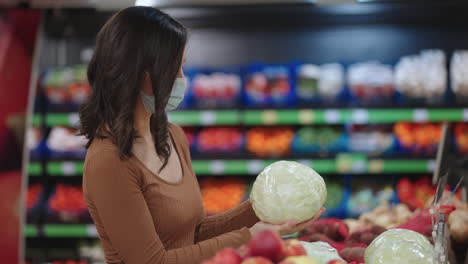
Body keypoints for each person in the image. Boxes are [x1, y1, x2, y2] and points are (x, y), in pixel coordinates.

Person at [79, 6, 325, 264]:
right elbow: (151, 261)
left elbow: (194, 234)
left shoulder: (171, 137)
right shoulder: (109, 161)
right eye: (176, 67)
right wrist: (248, 238)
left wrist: (266, 206)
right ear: (143, 74)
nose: (182, 78)